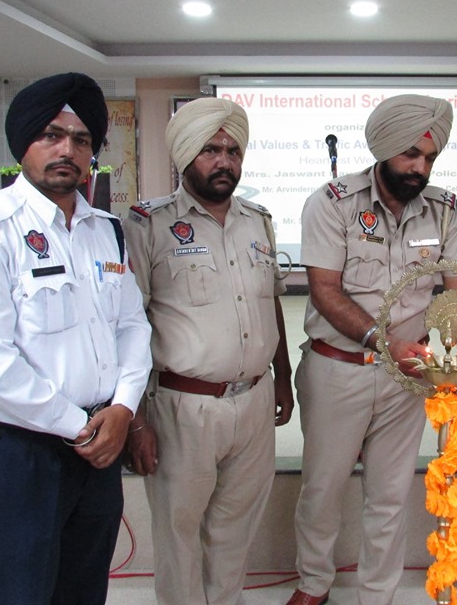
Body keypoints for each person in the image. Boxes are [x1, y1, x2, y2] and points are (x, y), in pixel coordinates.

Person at [0, 72, 153, 605]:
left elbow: (132, 325)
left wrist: (123, 408)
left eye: (81, 139)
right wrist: (80, 428)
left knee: (83, 592)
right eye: (51, 135)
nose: (67, 150)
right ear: (23, 144)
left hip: (100, 443)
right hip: (21, 454)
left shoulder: (106, 230)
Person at [288, 94, 457, 605]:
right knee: (322, 489)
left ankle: (377, 594)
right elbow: (325, 292)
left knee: (390, 496)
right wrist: (385, 342)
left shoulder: (444, 211)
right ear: (384, 148)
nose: (420, 168)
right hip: (338, 370)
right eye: (410, 155)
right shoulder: (332, 204)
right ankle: (314, 583)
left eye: (430, 158)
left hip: (405, 379)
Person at [123, 97, 294, 605]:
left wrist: (283, 378)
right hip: (183, 407)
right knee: (178, 533)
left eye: (233, 151)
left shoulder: (258, 220)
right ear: (185, 155)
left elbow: (271, 303)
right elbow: (127, 324)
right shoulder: (148, 224)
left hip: (254, 401)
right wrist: (135, 420)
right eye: (210, 150)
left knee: (235, 528)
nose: (224, 161)